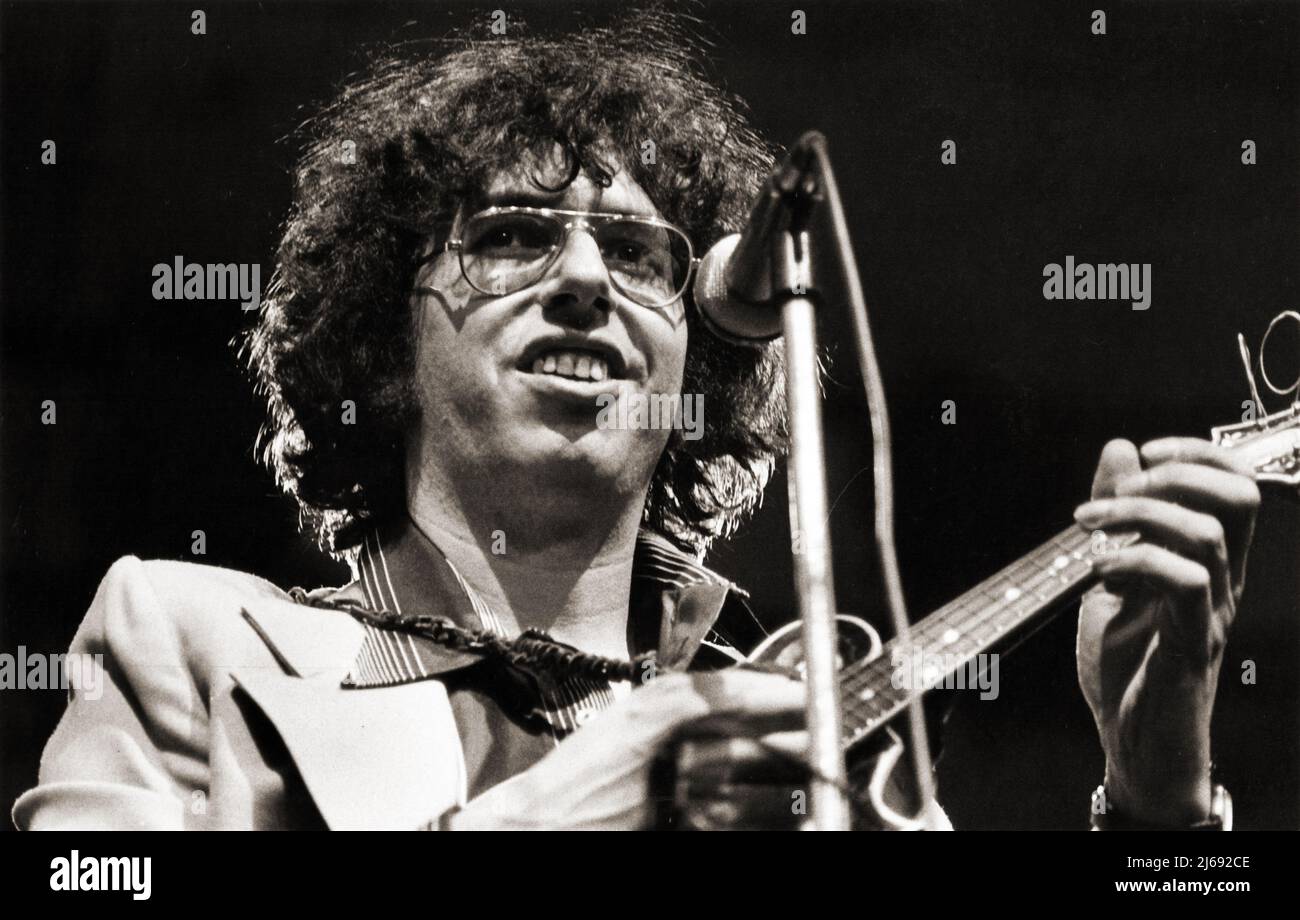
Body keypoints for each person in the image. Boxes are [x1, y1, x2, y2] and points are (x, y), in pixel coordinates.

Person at [14, 12, 1260, 830]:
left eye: (637, 251)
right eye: (509, 236)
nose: (582, 278)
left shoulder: (815, 739)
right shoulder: (183, 634)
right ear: (383, 340)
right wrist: (553, 816)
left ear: (704, 344)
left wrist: (1159, 797)